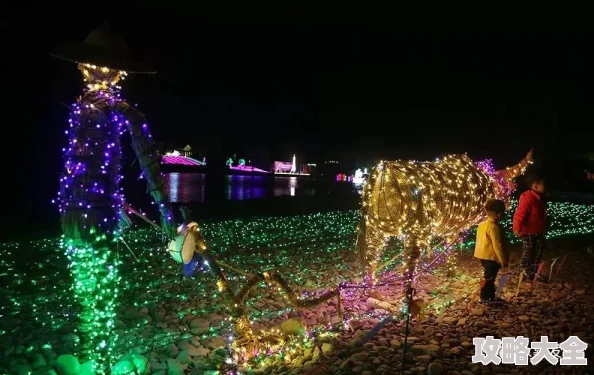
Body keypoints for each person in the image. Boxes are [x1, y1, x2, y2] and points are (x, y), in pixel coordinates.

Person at [474, 199, 509, 303]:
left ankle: (490, 297)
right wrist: (503, 260)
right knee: (489, 279)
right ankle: (485, 298)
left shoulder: (482, 225)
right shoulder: (494, 227)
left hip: (482, 256)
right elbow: (498, 245)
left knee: (489, 277)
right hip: (491, 257)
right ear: (499, 214)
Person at [513, 173, 547, 281]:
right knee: (528, 252)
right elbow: (520, 214)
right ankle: (523, 273)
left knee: (537, 253)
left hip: (539, 231)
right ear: (535, 186)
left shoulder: (541, 198)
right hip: (528, 232)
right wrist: (517, 228)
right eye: (542, 184)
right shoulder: (527, 197)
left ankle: (533, 273)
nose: (545, 186)